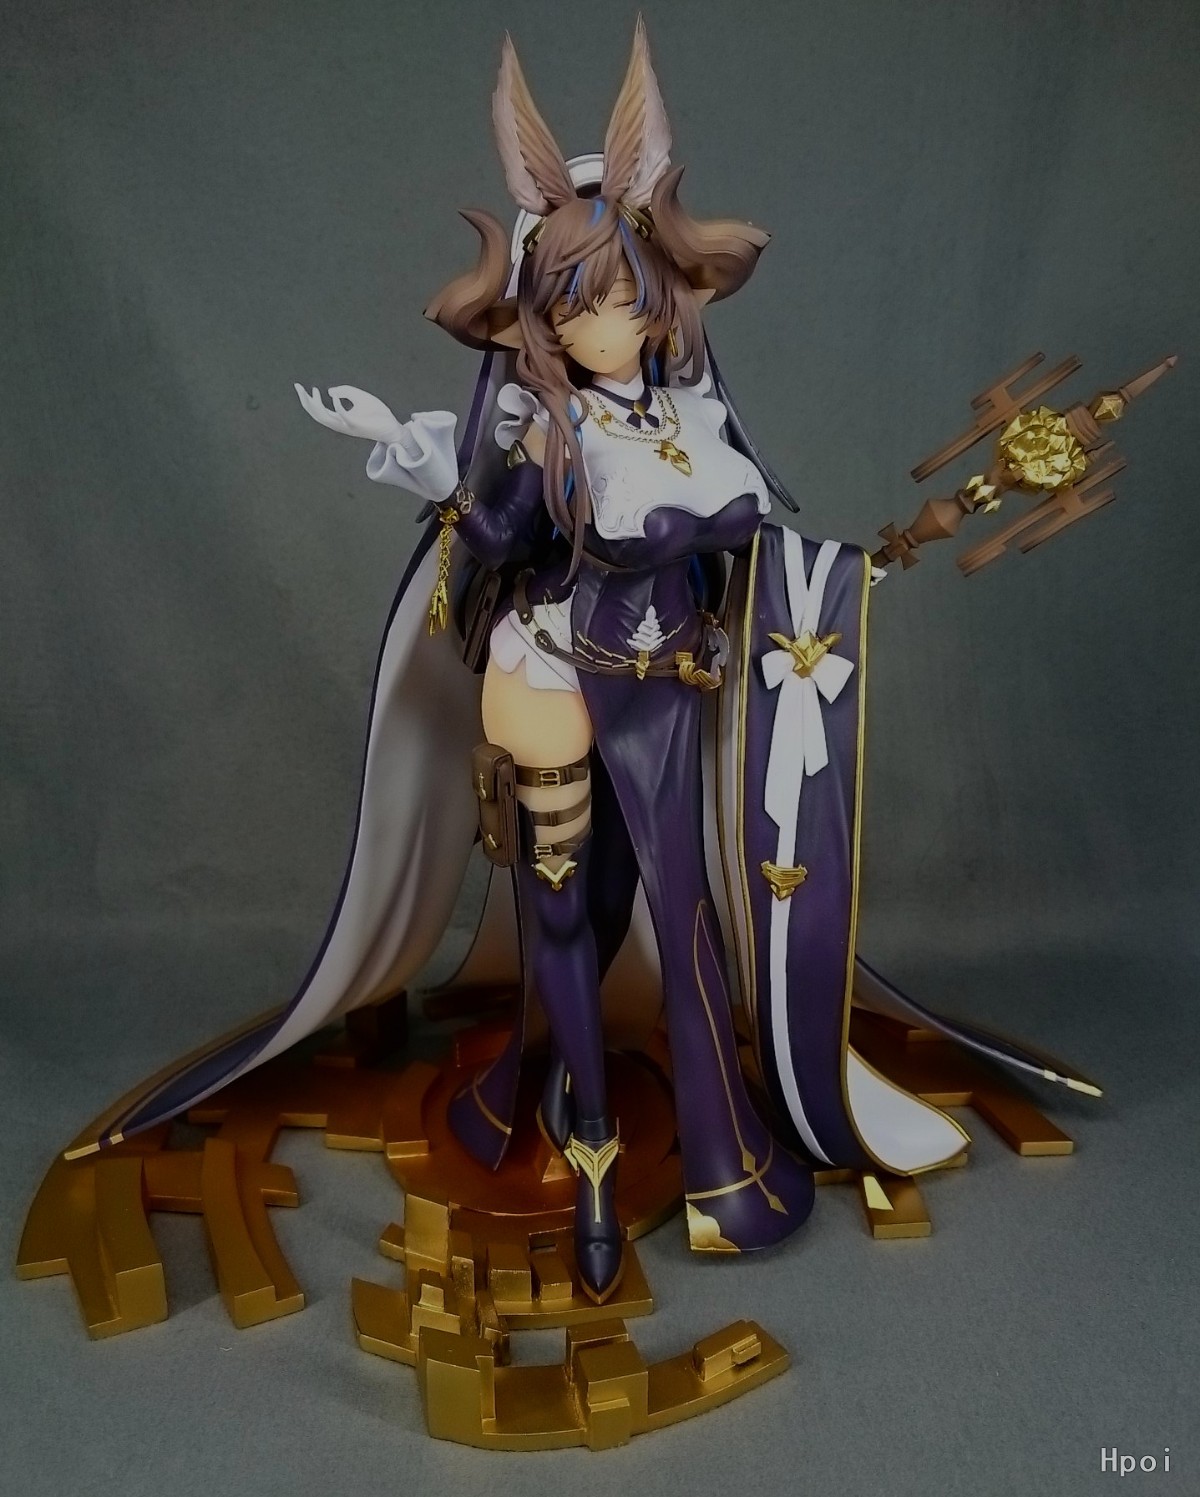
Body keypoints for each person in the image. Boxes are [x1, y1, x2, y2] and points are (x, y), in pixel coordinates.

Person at [75, 20, 1097, 1309]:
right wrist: (420, 456)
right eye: (576, 301)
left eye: (621, 294)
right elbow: (495, 533)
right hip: (554, 674)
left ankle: (701, 1148)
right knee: (561, 902)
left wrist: (867, 569)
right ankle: (598, 1152)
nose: (606, 319)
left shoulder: (693, 415)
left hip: (667, 685)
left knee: (672, 904)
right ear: (541, 314)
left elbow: (758, 555)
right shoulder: (540, 427)